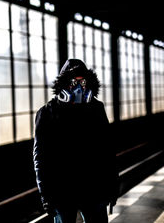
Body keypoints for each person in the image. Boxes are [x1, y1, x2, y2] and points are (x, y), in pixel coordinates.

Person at [33, 59, 118, 223]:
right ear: (63, 84)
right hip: (62, 192)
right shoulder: (47, 113)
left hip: (94, 190)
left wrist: (113, 186)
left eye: (83, 81)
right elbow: (40, 157)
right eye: (73, 82)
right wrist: (46, 195)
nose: (79, 87)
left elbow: (107, 150)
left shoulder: (96, 109)